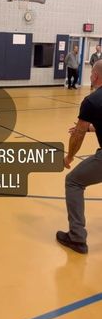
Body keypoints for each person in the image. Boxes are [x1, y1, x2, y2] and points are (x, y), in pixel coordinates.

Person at [56, 60, 102, 254]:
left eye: (92, 73)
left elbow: (78, 135)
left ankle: (76, 238)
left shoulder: (92, 101)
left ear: (96, 76)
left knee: (73, 181)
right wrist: (91, 128)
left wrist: (69, 157)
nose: (90, 77)